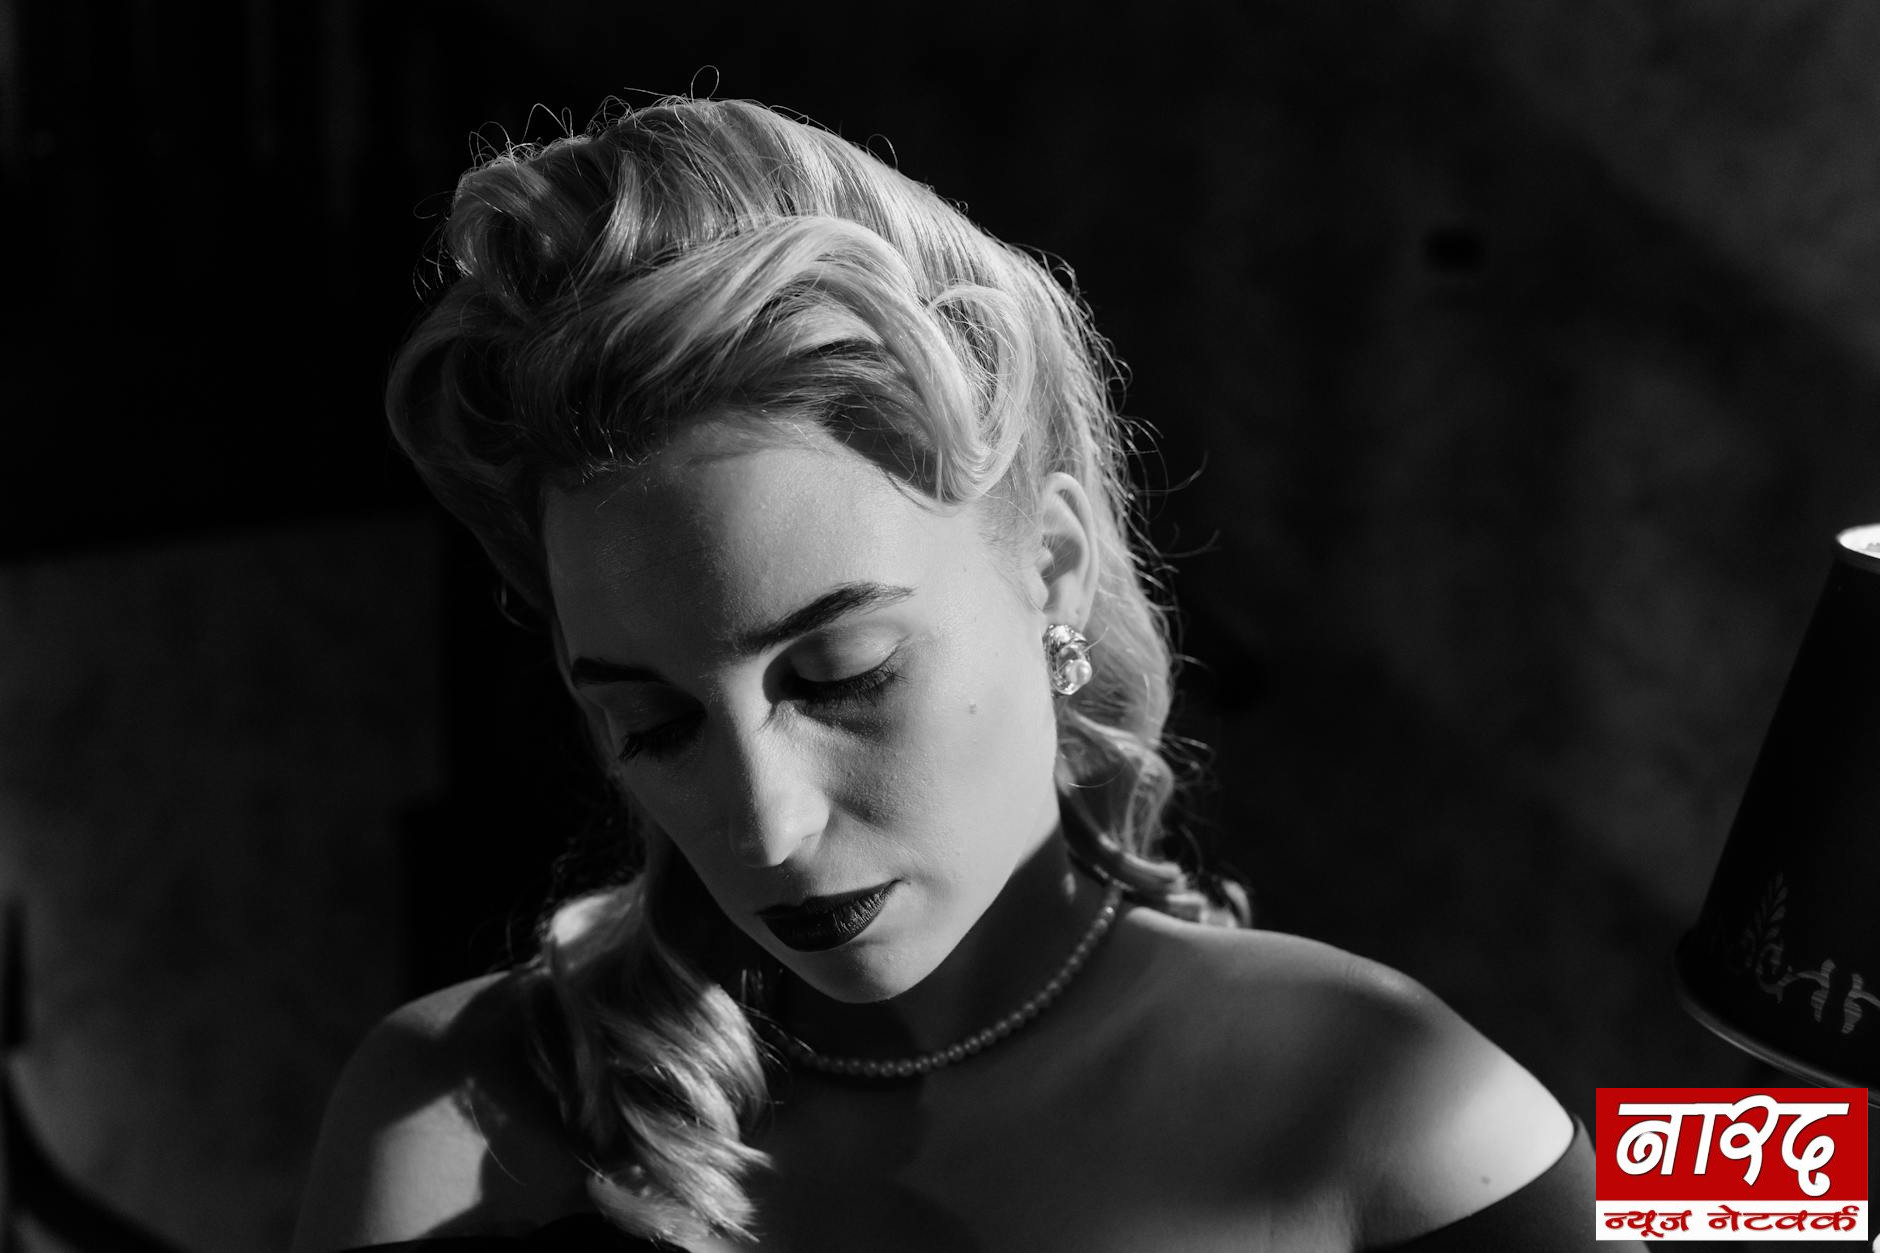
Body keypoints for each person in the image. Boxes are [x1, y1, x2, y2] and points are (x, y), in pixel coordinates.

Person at [291, 96, 1618, 1252]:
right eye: (653, 722)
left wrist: (1748, 1109)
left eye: (842, 675)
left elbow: (1742, 1185)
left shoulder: (1390, 1092)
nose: (766, 824)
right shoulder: (446, 1111)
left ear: (1051, 565)